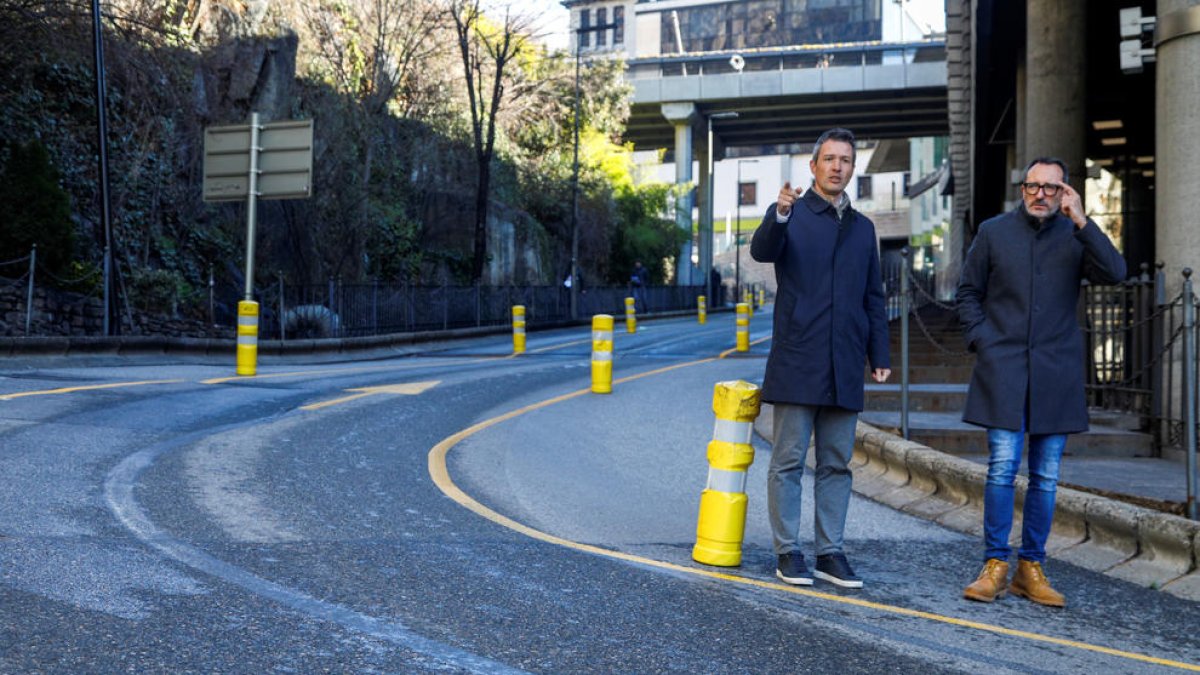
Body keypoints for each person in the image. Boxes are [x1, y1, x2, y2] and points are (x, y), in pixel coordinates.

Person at [956, 157, 1126, 607]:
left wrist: (1083, 220)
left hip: (1056, 372)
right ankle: (995, 564)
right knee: (1002, 468)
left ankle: (1030, 568)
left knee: (1046, 476)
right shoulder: (994, 232)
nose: (1041, 195)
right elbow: (968, 292)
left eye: (1052, 188)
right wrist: (982, 340)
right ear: (1023, 188)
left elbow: (1116, 273)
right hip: (1003, 367)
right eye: (1033, 186)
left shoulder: (1075, 234)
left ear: (1065, 193)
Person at [750, 127, 891, 588]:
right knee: (788, 460)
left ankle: (830, 552)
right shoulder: (791, 215)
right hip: (798, 357)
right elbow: (762, 249)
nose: (836, 166)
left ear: (852, 168)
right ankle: (787, 551)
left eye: (845, 160)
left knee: (837, 463)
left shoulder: (863, 228)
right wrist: (780, 214)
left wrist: (879, 353)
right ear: (813, 166)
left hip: (845, 361)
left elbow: (874, 296)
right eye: (828, 159)